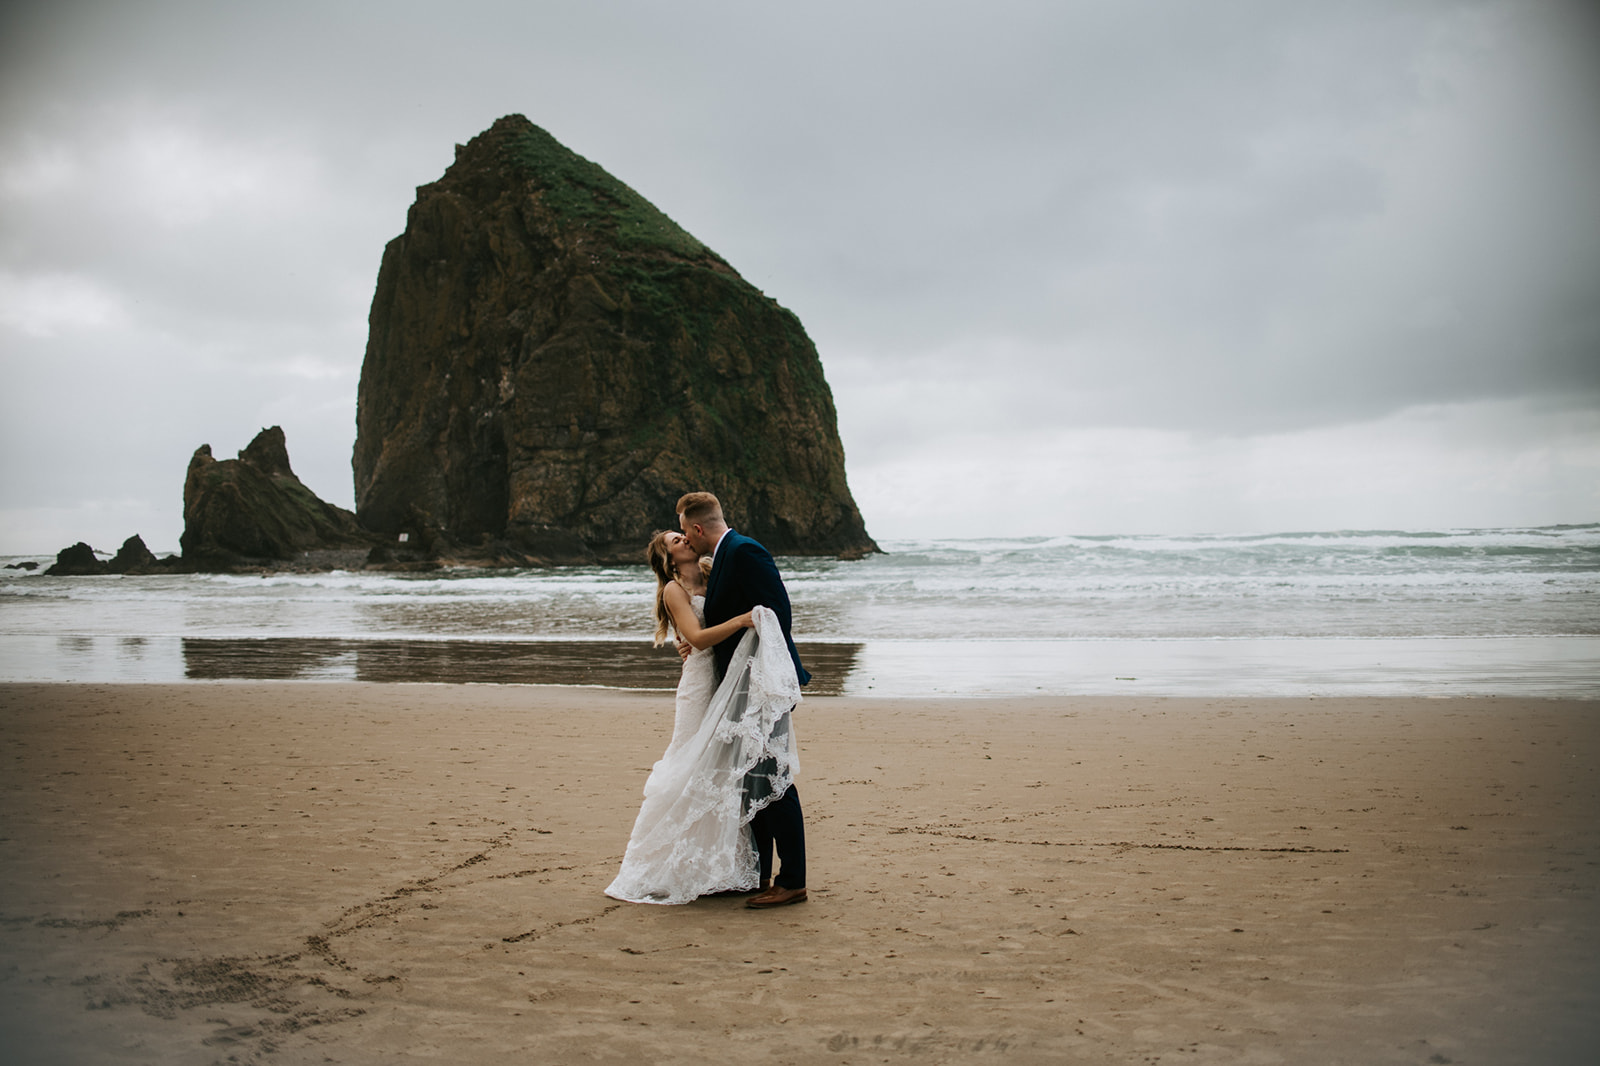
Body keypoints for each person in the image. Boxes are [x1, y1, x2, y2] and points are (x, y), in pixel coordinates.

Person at [603, 528, 800, 904]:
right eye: (675, 542)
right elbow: (696, 637)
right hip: (699, 686)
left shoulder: (714, 571)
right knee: (690, 765)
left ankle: (723, 867)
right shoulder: (673, 590)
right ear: (668, 559)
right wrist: (742, 621)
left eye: (682, 535)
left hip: (727, 680)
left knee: (726, 772)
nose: (684, 541)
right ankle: (668, 863)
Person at [677, 491, 811, 909]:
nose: (686, 539)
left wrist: (763, 680)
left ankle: (793, 881)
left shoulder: (745, 550)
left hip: (762, 687)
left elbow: (776, 615)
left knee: (773, 780)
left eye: (685, 531)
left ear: (698, 528)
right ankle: (759, 875)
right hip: (741, 686)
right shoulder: (725, 555)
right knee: (750, 781)